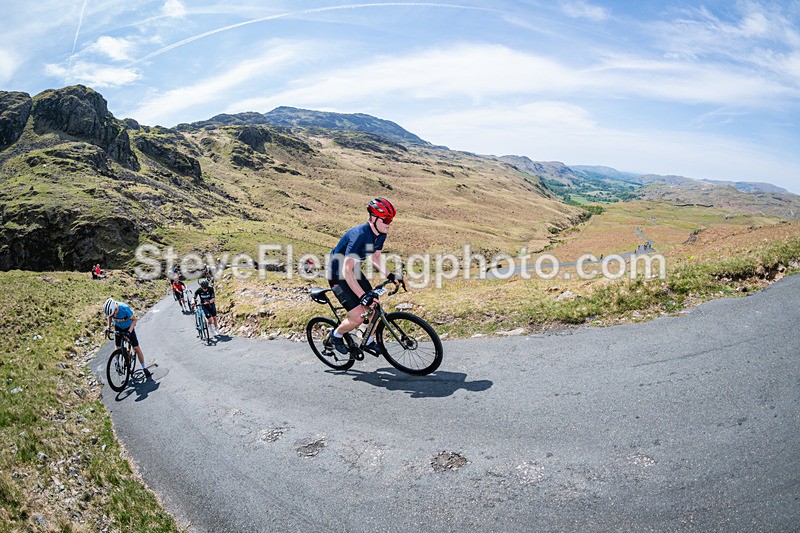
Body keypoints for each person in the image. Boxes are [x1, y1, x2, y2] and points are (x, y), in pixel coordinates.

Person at [324, 197, 404, 355]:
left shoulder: (381, 234)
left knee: (374, 305)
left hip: (353, 272)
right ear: (374, 218)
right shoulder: (359, 235)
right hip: (338, 275)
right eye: (386, 220)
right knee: (358, 317)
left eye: (391, 220)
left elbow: (375, 258)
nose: (389, 224)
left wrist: (391, 275)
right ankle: (335, 335)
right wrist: (362, 296)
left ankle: (367, 340)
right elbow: (346, 270)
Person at [103, 298, 151, 378]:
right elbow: (109, 316)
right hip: (118, 327)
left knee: (136, 348)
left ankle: (144, 368)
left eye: (113, 314)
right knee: (117, 346)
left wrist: (129, 332)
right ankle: (117, 362)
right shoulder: (111, 311)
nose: (113, 316)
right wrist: (108, 327)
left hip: (129, 327)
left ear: (116, 309)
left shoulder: (124, 308)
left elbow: (134, 320)